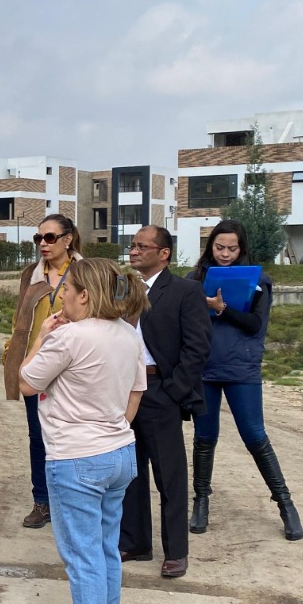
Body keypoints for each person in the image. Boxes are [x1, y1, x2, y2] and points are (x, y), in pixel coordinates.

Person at [18, 258, 149, 604]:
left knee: (82, 554)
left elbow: (26, 381)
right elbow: (135, 395)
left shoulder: (70, 338)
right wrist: (109, 429)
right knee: (106, 548)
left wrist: (40, 335)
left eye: (67, 289)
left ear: (85, 295)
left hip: (76, 457)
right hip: (119, 453)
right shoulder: (129, 335)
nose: (62, 297)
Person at [186, 219, 303, 541]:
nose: (225, 254)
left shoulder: (257, 281)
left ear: (242, 248)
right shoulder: (194, 280)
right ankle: (201, 502)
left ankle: (285, 504)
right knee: (204, 437)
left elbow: (254, 325)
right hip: (204, 369)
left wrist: (221, 308)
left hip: (242, 369)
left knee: (255, 436)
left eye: (232, 248)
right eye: (219, 247)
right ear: (210, 247)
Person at [118, 225, 211, 579]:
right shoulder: (123, 290)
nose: (135, 251)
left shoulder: (185, 292)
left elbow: (197, 347)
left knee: (169, 476)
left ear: (164, 253)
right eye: (133, 245)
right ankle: (135, 542)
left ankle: (176, 551)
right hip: (124, 392)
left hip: (161, 391)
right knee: (129, 471)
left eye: (143, 246)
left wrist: (174, 390)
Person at [1, 214, 83, 529]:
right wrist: (13, 354)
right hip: (37, 366)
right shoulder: (30, 275)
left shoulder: (85, 272)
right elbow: (19, 320)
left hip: (74, 368)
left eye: (49, 238)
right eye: (39, 239)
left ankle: (72, 502)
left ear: (68, 239)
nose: (43, 244)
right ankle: (42, 502)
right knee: (38, 436)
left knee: (72, 436)